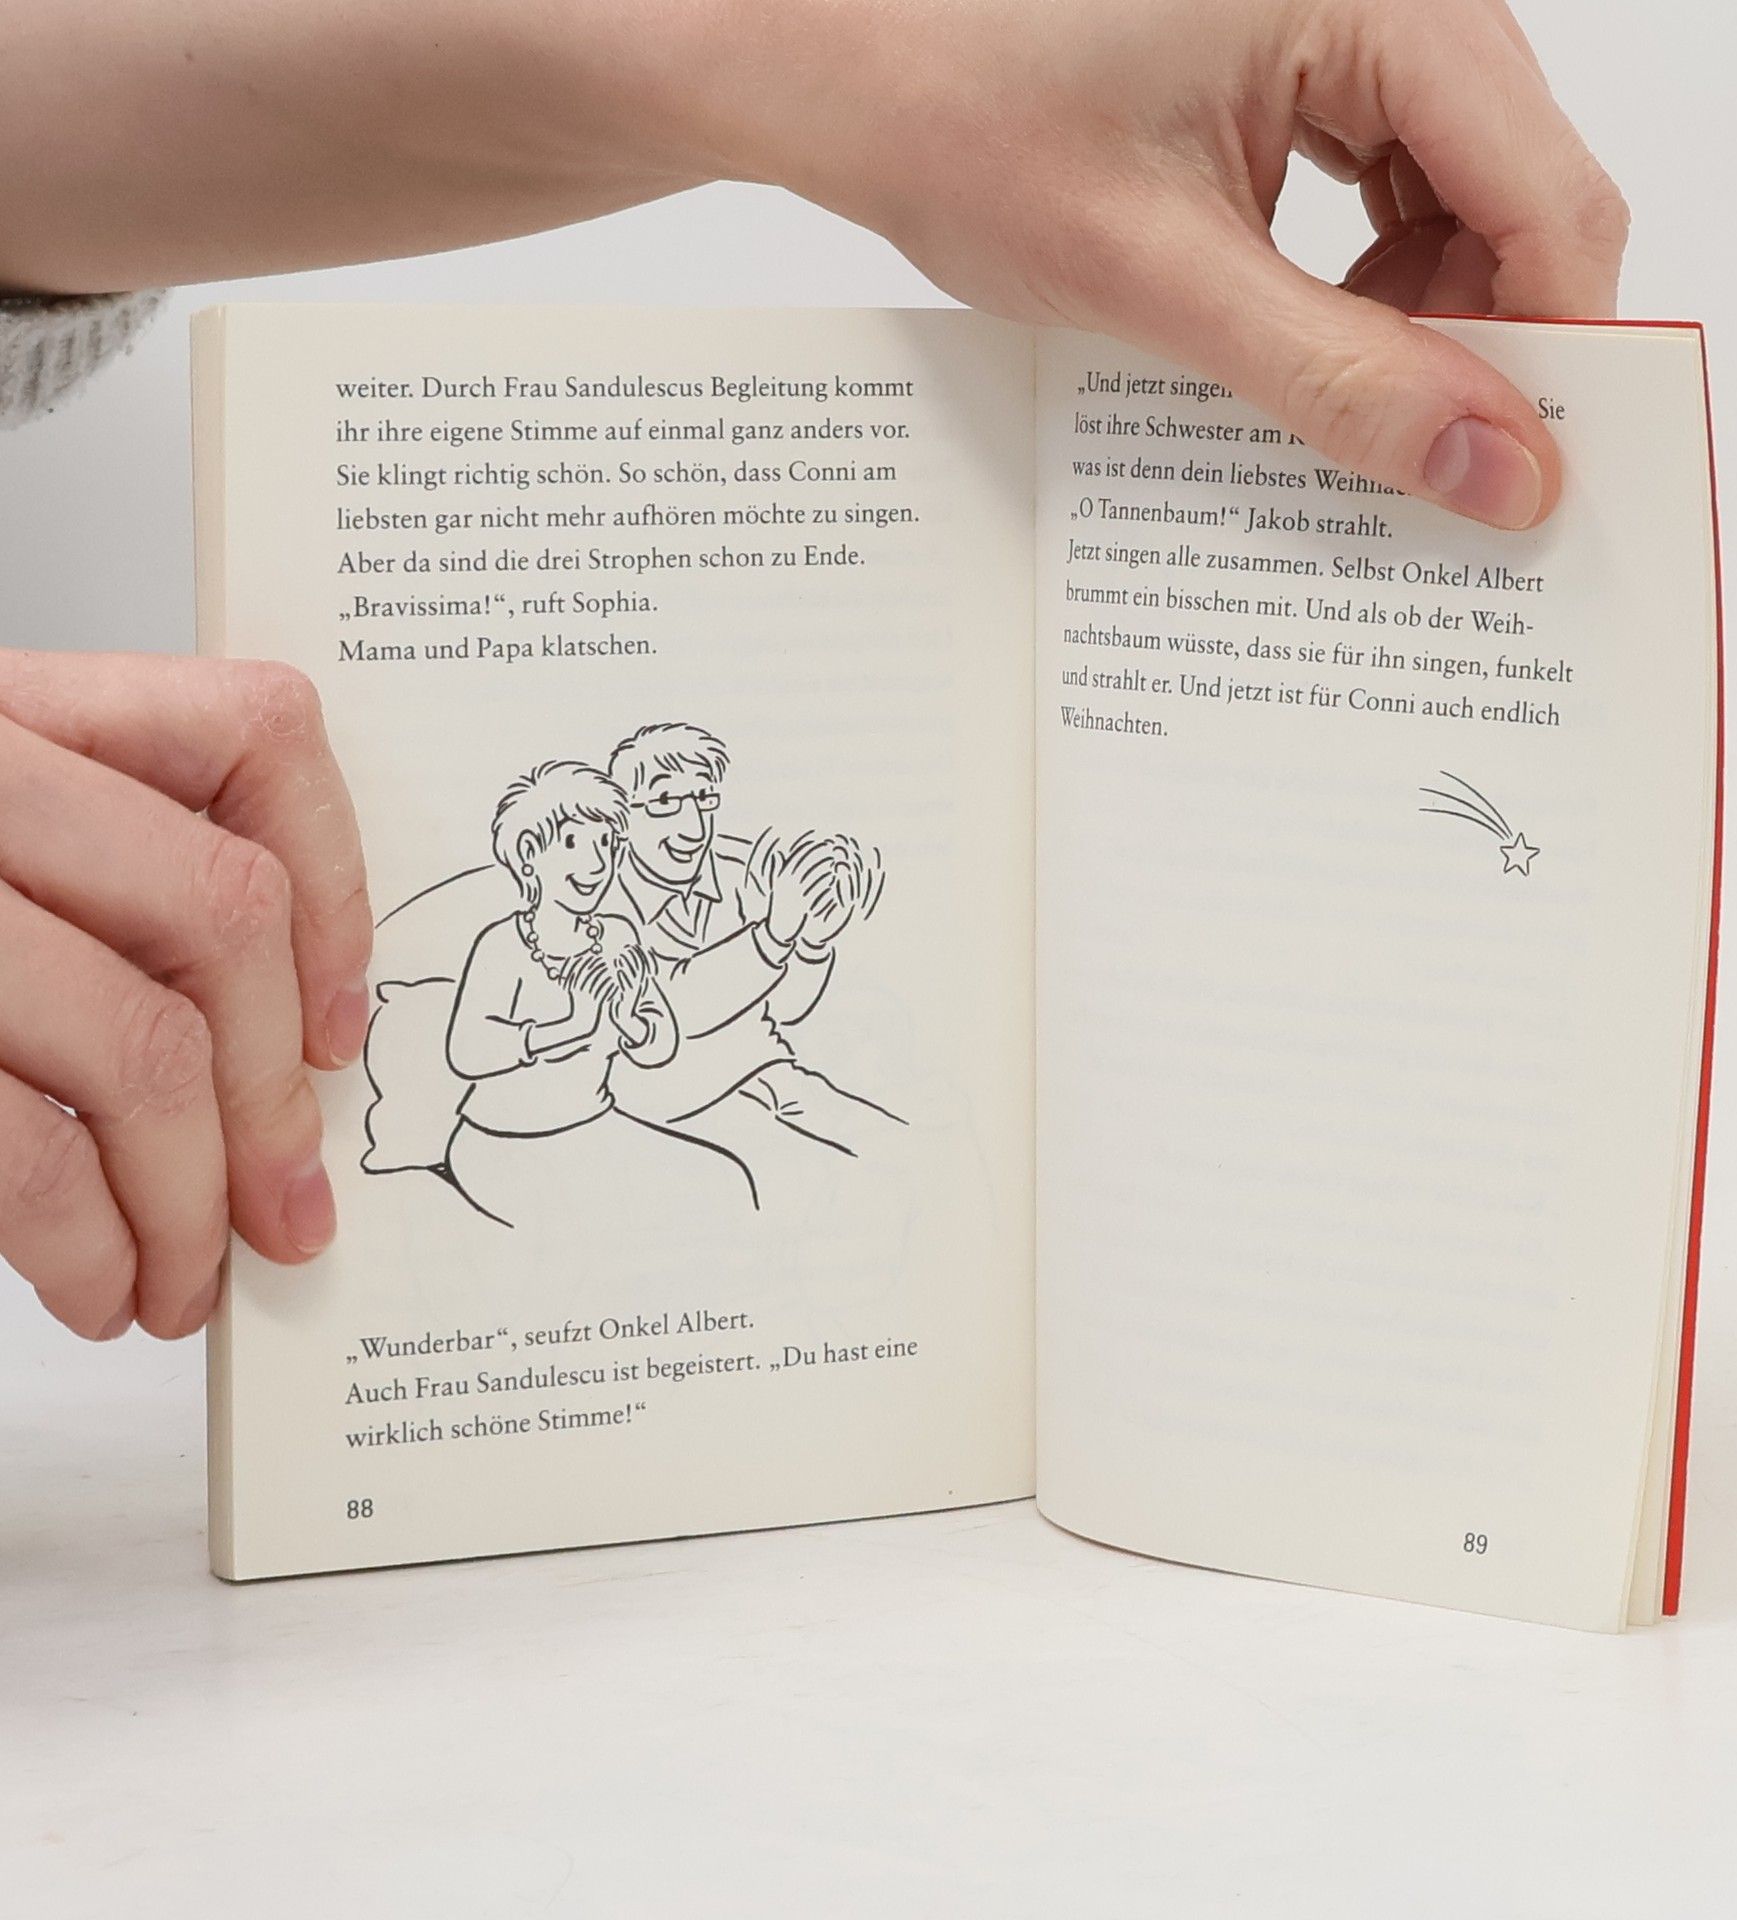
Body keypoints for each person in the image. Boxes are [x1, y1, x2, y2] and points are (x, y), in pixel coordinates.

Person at [0, 0, 1628, 1340]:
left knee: (878, 1155)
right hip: (564, 1203)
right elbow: (528, 1059)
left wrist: (859, 48)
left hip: (718, 1106)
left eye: (666, 810)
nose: (647, 840)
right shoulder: (516, 945)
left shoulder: (682, 904)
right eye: (618, 822)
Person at [440, 761, 754, 1226]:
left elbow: (662, 1044)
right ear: (528, 853)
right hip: (500, 1142)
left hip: (592, 1125)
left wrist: (632, 1024)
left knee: (725, 1182)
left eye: (605, 844)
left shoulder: (617, 935)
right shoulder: (502, 944)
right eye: (572, 843)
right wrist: (569, 1027)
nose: (595, 863)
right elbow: (466, 1051)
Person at [602, 725, 898, 1156]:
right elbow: (673, 1013)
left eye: (704, 797)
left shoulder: (742, 868)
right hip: (667, 1102)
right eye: (665, 801)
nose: (694, 828)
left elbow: (784, 1010)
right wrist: (773, 936)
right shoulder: (596, 895)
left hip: (767, 1071)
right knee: (809, 1168)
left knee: (896, 1144)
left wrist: (812, 943)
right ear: (622, 817)